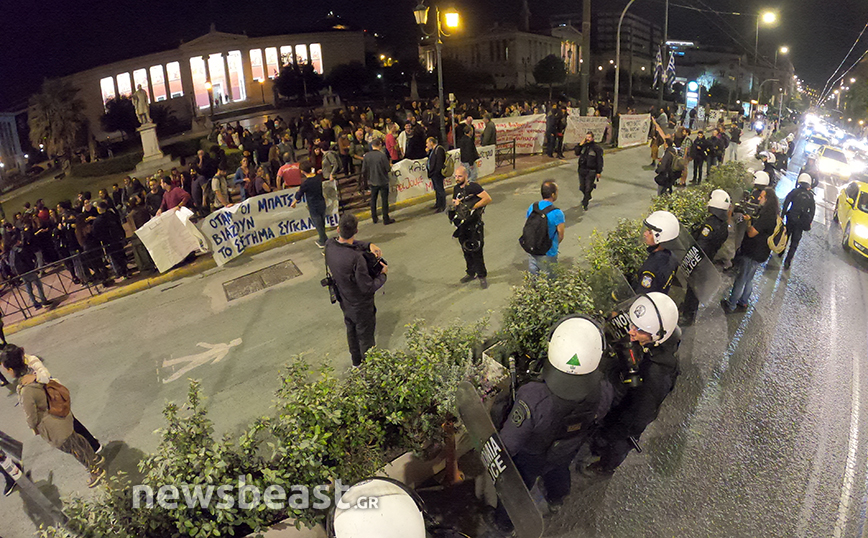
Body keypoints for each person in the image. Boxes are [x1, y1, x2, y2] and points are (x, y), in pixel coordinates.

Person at [488, 316, 606, 533]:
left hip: (531, 456)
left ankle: (505, 524)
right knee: (559, 470)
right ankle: (556, 499)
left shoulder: (534, 395)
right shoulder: (603, 387)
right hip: (568, 447)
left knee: (517, 489)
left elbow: (509, 443)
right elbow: (598, 415)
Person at [584, 293, 680, 476]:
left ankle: (606, 466)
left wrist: (611, 433)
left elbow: (640, 416)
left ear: (658, 335)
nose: (631, 331)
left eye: (640, 330)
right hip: (623, 400)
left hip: (625, 419)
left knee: (617, 445)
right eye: (632, 324)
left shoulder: (656, 374)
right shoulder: (659, 336)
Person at [2, 347, 105, 488]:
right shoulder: (33, 371)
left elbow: (31, 416)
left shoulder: (26, 389)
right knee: (78, 440)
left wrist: (32, 427)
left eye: (6, 369)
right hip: (63, 415)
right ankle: (95, 458)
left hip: (54, 425)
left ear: (11, 369)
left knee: (74, 449)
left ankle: (95, 471)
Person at [324, 213, 387, 368]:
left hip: (344, 299)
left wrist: (368, 245)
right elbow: (367, 287)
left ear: (338, 229)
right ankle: (370, 369)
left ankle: (356, 364)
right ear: (356, 231)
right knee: (365, 338)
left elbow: (348, 243)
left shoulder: (329, 245)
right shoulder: (356, 258)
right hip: (361, 305)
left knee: (351, 331)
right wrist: (383, 275)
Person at [722, 186, 779, 313]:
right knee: (748, 278)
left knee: (741, 278)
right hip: (761, 252)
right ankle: (743, 302)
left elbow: (752, 233)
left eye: (761, 197)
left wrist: (748, 222)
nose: (759, 198)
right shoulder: (771, 213)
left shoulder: (767, 216)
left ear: (767, 199)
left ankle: (731, 304)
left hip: (753, 252)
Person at [680, 189, 732, 325]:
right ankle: (688, 309)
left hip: (700, 261)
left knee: (693, 289)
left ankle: (688, 316)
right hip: (708, 259)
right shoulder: (723, 224)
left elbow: (701, 245)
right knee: (694, 288)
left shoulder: (710, 225)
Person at [449, 165, 492, 288]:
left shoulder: (474, 187)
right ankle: (470, 272)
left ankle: (482, 276)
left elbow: (487, 198)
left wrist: (472, 206)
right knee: (466, 250)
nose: (457, 178)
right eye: (456, 176)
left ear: (466, 175)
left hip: (474, 225)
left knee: (477, 251)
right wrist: (456, 204)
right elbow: (454, 201)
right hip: (462, 225)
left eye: (460, 176)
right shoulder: (456, 188)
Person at [524, 180, 565, 277]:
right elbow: (561, 235)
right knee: (550, 280)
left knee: (534, 279)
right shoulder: (557, 213)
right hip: (548, 252)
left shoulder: (533, 207)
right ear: (553, 194)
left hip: (533, 249)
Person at [635, 211, 680, 294]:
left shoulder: (650, 269)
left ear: (659, 237)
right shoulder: (672, 257)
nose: (645, 234)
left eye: (650, 232)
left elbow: (642, 295)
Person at [780, 174, 816, 270]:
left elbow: (786, 203)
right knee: (795, 242)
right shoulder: (810, 196)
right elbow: (812, 211)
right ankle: (788, 261)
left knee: (785, 236)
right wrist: (809, 222)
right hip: (801, 222)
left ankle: (781, 251)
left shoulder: (795, 192)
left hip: (791, 218)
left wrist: (782, 215)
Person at [290, 159, 329, 248]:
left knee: (318, 223)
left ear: (302, 171)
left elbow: (299, 194)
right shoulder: (318, 178)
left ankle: (323, 241)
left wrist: (294, 202)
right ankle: (324, 238)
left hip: (313, 205)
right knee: (322, 222)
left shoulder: (306, 183)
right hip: (321, 202)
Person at [8, 234, 50, 309]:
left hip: (21, 273)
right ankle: (43, 301)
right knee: (38, 284)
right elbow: (27, 260)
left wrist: (16, 273)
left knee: (28, 288)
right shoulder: (20, 250)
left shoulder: (11, 252)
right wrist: (33, 268)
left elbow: (11, 264)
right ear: (17, 242)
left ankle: (35, 303)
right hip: (27, 270)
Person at [92, 202, 130, 280]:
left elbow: (96, 234)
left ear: (98, 209)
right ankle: (125, 270)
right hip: (116, 239)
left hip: (107, 242)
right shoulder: (111, 215)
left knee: (114, 257)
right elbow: (118, 225)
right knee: (121, 255)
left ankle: (120, 272)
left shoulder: (97, 221)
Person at [361, 139, 394, 225]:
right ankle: (385, 218)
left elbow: (364, 170)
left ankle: (374, 217)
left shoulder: (367, 156)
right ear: (379, 145)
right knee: (384, 200)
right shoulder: (382, 155)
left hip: (372, 180)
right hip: (383, 180)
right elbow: (388, 168)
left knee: (373, 200)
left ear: (372, 146)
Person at [574, 131, 604, 210]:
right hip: (582, 169)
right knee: (582, 187)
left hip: (591, 171)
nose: (588, 139)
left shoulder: (596, 148)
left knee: (587, 188)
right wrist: (580, 145)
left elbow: (600, 160)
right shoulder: (583, 147)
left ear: (593, 138)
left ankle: (585, 203)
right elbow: (576, 153)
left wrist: (599, 171)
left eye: (589, 137)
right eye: (587, 137)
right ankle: (589, 194)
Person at [425, 137, 447, 213]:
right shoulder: (433, 151)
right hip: (433, 173)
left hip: (437, 174)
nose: (426, 145)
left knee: (440, 189)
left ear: (431, 142)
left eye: (427, 143)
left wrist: (436, 172)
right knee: (436, 189)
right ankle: (438, 203)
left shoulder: (439, 149)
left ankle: (442, 205)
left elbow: (439, 163)